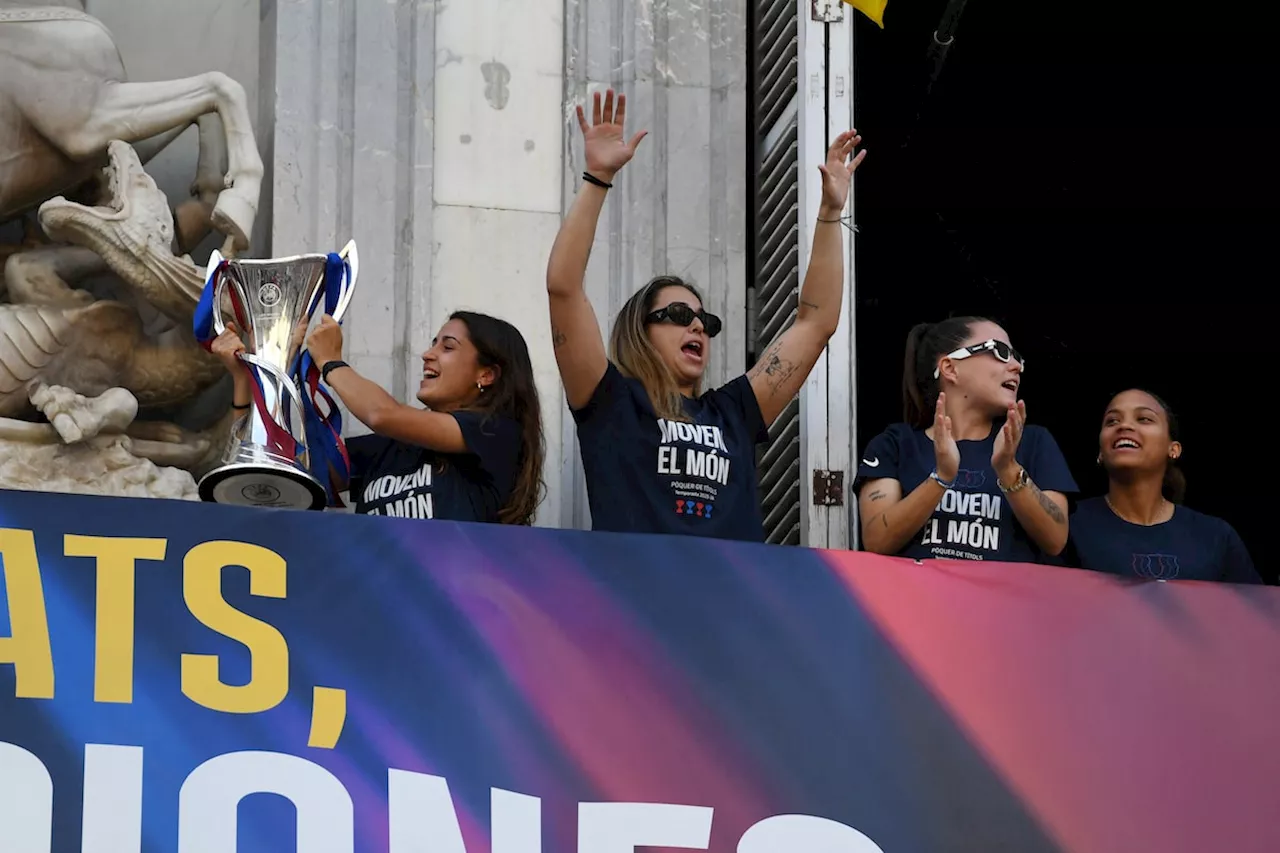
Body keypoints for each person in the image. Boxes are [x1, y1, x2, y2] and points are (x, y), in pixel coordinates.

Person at [546, 88, 866, 541]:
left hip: (730, 608)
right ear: (640, 331)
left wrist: (831, 213)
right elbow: (563, 289)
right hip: (639, 607)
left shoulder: (732, 411)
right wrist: (597, 178)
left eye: (706, 321)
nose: (698, 325)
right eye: (677, 313)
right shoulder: (611, 403)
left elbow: (816, 325)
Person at [209, 311, 544, 524]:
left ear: (486, 374)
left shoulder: (497, 434)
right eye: (433, 344)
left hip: (451, 620)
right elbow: (277, 474)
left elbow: (381, 413)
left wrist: (330, 363)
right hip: (379, 618)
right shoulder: (389, 450)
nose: (428, 354)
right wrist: (248, 380)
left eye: (448, 347)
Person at [855, 317, 1077, 562]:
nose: (1016, 366)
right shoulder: (895, 444)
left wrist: (1008, 469)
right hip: (918, 599)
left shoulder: (1032, 442)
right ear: (950, 368)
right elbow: (876, 540)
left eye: (1016, 357)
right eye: (1000, 352)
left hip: (1001, 600)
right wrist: (941, 478)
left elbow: (1056, 539)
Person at [1065, 389, 1261, 583]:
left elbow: (1252, 611)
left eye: (1144, 419)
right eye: (1112, 421)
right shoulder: (1067, 526)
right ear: (1101, 452)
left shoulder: (1217, 537)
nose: (1124, 426)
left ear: (1173, 449)